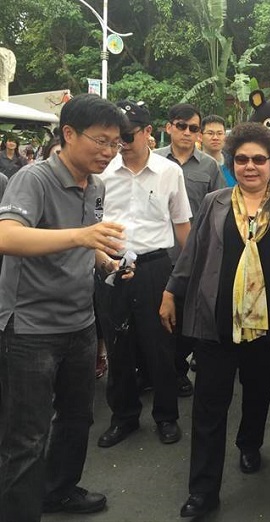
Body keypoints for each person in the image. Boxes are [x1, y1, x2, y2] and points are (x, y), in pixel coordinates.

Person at [159, 122, 270, 519]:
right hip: (216, 321)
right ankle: (202, 491)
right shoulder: (214, 202)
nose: (250, 166)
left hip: (268, 323)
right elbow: (193, 253)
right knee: (209, 406)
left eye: (259, 160)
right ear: (232, 163)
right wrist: (171, 291)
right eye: (242, 159)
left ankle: (250, 443)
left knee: (258, 391)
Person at [0, 93, 129, 521]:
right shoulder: (33, 179)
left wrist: (106, 261)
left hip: (80, 322)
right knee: (26, 436)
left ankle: (59, 490)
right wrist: (82, 236)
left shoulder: (96, 185)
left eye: (115, 143)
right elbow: (7, 237)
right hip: (30, 329)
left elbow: (86, 242)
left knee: (77, 418)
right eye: (101, 141)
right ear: (69, 134)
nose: (109, 152)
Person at [95, 100, 192, 448]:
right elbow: (90, 223)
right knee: (118, 346)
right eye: (114, 137)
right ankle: (124, 416)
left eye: (127, 135)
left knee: (161, 345)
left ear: (148, 132)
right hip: (111, 266)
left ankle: (166, 416)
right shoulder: (102, 173)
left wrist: (191, 275)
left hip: (155, 268)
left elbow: (182, 226)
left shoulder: (169, 172)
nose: (120, 143)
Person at [155, 103, 226, 397]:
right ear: (169, 127)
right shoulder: (154, 161)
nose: (187, 132)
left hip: (194, 256)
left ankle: (178, 370)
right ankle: (156, 373)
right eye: (181, 126)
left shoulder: (209, 166)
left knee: (186, 321)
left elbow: (220, 209)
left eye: (193, 128)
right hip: (158, 254)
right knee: (156, 321)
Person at [200, 114, 235, 187]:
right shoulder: (194, 165)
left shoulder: (234, 164)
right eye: (210, 133)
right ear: (200, 136)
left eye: (219, 133)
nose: (215, 138)